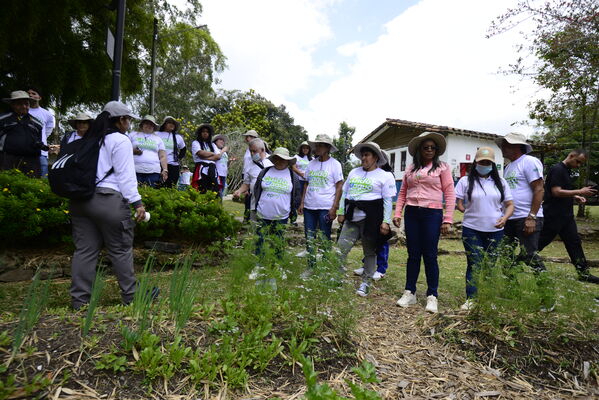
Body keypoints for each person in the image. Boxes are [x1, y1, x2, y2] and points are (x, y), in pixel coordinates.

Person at [69, 101, 148, 309]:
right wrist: (137, 203)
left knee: (84, 251)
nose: (129, 124)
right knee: (120, 249)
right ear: (121, 120)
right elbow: (125, 176)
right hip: (107, 200)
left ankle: (79, 301)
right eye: (128, 119)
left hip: (79, 201)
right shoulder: (120, 140)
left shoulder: (89, 139)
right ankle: (131, 297)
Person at [393, 132, 455, 313]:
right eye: (425, 147)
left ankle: (432, 295)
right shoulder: (411, 169)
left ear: (437, 151)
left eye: (432, 148)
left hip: (432, 214)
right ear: (419, 150)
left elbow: (449, 193)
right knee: (413, 254)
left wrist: (448, 218)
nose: (429, 150)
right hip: (412, 213)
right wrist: (398, 213)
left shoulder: (442, 168)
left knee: (430, 255)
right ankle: (409, 292)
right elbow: (403, 192)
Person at [455, 147, 514, 310]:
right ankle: (471, 299)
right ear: (476, 163)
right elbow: (458, 200)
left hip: (495, 230)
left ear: (493, 164)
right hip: (471, 228)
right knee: (474, 263)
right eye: (482, 162)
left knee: (490, 264)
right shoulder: (465, 181)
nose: (485, 164)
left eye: (488, 162)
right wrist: (461, 207)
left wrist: (505, 218)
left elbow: (510, 205)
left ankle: (487, 298)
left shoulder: (501, 182)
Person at [337, 142, 397, 297]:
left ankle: (366, 282)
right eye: (362, 155)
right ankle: (336, 277)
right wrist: (341, 211)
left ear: (375, 157)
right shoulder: (354, 172)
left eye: (367, 155)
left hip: (371, 219)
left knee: (370, 252)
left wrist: (385, 221)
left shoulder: (384, 175)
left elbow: (387, 200)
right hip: (351, 218)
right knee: (340, 249)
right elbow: (345, 193)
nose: (363, 158)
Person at [538, 149, 599, 284]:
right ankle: (517, 261)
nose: (578, 165)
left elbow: (562, 189)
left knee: (574, 243)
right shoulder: (557, 169)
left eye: (580, 163)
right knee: (539, 243)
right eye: (577, 161)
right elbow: (556, 192)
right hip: (553, 215)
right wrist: (580, 191)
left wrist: (575, 196)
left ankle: (583, 273)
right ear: (571, 156)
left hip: (566, 216)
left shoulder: (566, 170)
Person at [495, 132, 546, 272]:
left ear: (516, 146)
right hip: (510, 218)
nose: (502, 147)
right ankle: (511, 287)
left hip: (525, 217)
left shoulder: (529, 161)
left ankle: (545, 286)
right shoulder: (508, 167)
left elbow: (539, 189)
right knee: (505, 254)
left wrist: (532, 217)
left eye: (505, 144)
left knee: (530, 255)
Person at [298, 134, 344, 268]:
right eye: (316, 145)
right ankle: (311, 266)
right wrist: (302, 203)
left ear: (328, 148)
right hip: (309, 206)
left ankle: (324, 266)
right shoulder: (311, 164)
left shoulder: (335, 164)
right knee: (309, 236)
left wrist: (334, 207)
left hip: (325, 206)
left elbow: (339, 185)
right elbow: (306, 184)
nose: (317, 148)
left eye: (320, 145)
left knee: (325, 237)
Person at [253, 147, 301, 262]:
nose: (280, 161)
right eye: (278, 158)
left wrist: (292, 210)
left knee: (278, 241)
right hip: (262, 213)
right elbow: (257, 189)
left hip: (281, 215)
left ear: (288, 161)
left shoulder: (292, 175)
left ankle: (277, 265)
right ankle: (259, 265)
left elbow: (296, 194)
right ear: (274, 159)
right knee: (260, 239)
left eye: (283, 159)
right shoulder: (265, 172)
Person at [354, 150, 395, 281]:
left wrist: (386, 220)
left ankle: (381, 268)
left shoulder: (387, 175)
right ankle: (366, 265)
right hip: (368, 214)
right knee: (368, 241)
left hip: (380, 213)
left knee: (381, 241)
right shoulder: (366, 174)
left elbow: (388, 199)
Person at [0, 90, 44, 177]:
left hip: (31, 161)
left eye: (26, 104)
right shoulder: (2, 119)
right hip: (7, 159)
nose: (24, 106)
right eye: (19, 104)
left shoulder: (37, 123)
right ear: (12, 105)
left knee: (31, 186)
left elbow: (38, 140)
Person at [234, 138, 273, 221]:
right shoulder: (249, 164)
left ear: (262, 150)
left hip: (270, 204)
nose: (252, 154)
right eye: (250, 151)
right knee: (254, 228)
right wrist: (239, 191)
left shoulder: (272, 162)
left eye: (254, 151)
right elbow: (246, 183)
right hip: (254, 203)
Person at [129, 115, 168, 188]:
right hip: (134, 170)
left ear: (154, 127)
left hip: (153, 171)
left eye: (151, 124)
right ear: (142, 125)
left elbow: (162, 156)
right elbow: (124, 149)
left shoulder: (158, 139)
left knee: (150, 194)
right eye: (147, 123)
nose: (149, 126)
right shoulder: (132, 135)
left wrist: (165, 169)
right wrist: (133, 151)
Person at [27, 87, 55, 178]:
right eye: (29, 93)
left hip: (41, 152)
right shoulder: (23, 112)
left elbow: (47, 131)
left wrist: (41, 139)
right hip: (24, 151)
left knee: (42, 179)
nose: (30, 95)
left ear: (39, 97)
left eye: (33, 93)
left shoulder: (47, 114)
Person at [156, 116, 186, 188]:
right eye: (169, 122)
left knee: (171, 186)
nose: (171, 124)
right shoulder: (157, 134)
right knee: (158, 185)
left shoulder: (178, 137)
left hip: (173, 165)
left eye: (173, 123)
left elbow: (183, 149)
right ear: (164, 124)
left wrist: (178, 158)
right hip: (159, 164)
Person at [191, 123, 221, 193]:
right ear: (200, 133)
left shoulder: (212, 145)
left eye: (207, 132)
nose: (205, 133)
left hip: (212, 168)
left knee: (213, 189)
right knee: (201, 187)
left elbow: (218, 156)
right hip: (201, 167)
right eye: (203, 131)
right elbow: (200, 153)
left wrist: (205, 157)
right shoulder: (196, 143)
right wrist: (213, 154)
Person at [242, 130, 260, 222]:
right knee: (247, 197)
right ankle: (247, 217)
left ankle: (252, 218)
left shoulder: (258, 150)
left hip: (254, 176)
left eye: (248, 136)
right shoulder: (247, 150)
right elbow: (245, 166)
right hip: (246, 175)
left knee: (253, 197)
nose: (246, 138)